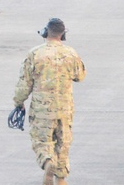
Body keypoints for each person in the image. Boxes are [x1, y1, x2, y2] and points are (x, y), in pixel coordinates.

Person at [12, 18, 86, 185]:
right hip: (64, 108)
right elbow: (80, 76)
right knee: (63, 141)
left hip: (42, 109)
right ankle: (61, 178)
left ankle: (47, 162)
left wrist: (18, 102)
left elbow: (25, 83)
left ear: (46, 32)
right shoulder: (71, 53)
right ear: (63, 35)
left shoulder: (35, 53)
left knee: (42, 141)